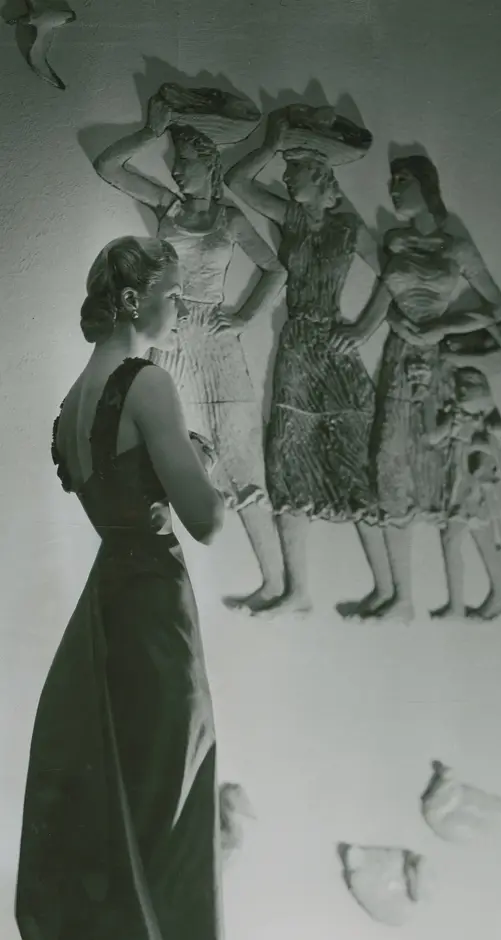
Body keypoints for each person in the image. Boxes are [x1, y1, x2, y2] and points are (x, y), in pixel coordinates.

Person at [15, 236, 234, 940]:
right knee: (165, 843)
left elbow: (116, 491)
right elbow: (205, 517)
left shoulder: (74, 399)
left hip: (106, 611)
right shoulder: (146, 383)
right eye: (175, 295)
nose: (180, 310)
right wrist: (220, 467)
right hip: (151, 618)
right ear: (139, 297)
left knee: (120, 843)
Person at [93, 93, 287, 613]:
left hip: (217, 345)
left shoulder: (230, 219)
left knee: (240, 456)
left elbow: (276, 269)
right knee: (163, 458)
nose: (177, 172)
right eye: (174, 162)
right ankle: (158, 590)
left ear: (211, 164)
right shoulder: (168, 209)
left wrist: (244, 316)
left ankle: (276, 582)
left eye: (185, 162)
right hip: (174, 338)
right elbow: (109, 166)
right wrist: (149, 131)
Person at [225, 108, 394, 617]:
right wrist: (270, 144)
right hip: (298, 347)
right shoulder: (290, 217)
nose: (285, 176)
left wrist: (363, 329)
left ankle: (387, 588)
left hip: (334, 350)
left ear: (320, 176)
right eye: (286, 168)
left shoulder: (348, 226)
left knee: (353, 464)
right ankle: (297, 591)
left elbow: (395, 275)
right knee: (286, 460)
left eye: (293, 169)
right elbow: (237, 181)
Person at [332, 154, 501, 622]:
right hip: (398, 357)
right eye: (392, 181)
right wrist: (363, 330)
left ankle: (492, 591)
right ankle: (403, 597)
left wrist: (442, 328)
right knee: (389, 462)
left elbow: (496, 307)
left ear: (427, 185)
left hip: (437, 363)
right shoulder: (395, 240)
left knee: (446, 471)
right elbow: (386, 298)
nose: (394, 188)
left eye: (403, 180)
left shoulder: (457, 247)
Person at [429, 366, 501, 621]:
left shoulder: (482, 426)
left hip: (476, 495)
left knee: (486, 544)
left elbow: (485, 464)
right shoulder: (471, 420)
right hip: (470, 493)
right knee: (490, 545)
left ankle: (495, 599)